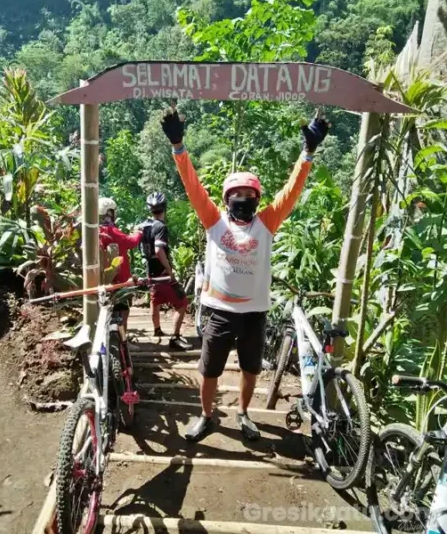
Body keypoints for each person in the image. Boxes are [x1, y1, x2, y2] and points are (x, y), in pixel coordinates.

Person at [160, 107, 329, 443]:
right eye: (237, 195)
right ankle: (207, 416)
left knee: (251, 370)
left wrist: (307, 154)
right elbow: (192, 186)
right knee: (210, 370)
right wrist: (178, 147)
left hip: (254, 313)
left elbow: (291, 191)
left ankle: (243, 413)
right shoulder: (214, 220)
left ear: (257, 199)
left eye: (250, 195)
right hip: (220, 313)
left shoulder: (266, 222)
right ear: (226, 198)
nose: (243, 200)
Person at [140, 191, 188, 351]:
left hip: (151, 273)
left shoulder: (144, 227)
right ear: (164, 208)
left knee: (155, 301)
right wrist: (169, 270)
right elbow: (159, 250)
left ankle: (157, 330)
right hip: (162, 274)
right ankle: (175, 337)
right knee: (181, 303)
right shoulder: (160, 227)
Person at [98, 197, 142, 340]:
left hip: (100, 278)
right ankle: (122, 340)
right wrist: (139, 232)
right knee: (123, 309)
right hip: (119, 278)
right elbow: (131, 242)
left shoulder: (95, 232)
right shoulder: (111, 230)